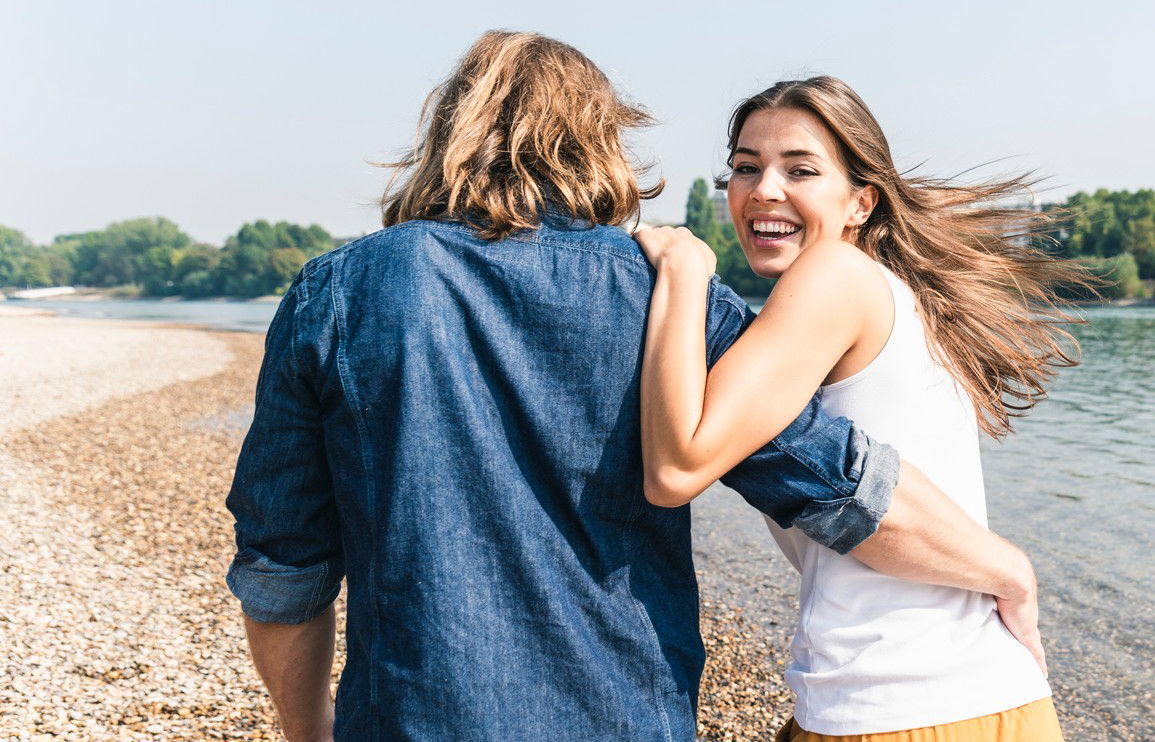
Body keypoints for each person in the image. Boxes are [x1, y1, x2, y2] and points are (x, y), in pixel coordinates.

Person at [224, 32, 1038, 742]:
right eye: (747, 168)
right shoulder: (662, 291)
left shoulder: (337, 294)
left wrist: (308, 730)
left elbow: (282, 564)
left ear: (449, 134)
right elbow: (828, 478)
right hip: (625, 714)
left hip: (414, 717)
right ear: (598, 141)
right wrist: (1003, 568)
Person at [633, 76, 1090, 741]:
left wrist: (681, 269)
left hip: (915, 708)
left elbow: (676, 469)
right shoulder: (881, 295)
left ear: (860, 203)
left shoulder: (835, 278)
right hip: (925, 699)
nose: (763, 189)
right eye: (744, 168)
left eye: (801, 170)